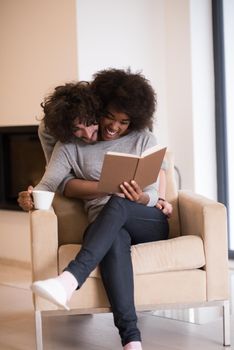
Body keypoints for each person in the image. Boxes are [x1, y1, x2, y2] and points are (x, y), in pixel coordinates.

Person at [19, 68, 172, 350]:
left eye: (124, 122)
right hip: (106, 225)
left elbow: (152, 196)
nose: (114, 126)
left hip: (147, 221)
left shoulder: (143, 139)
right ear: (99, 108)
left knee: (119, 201)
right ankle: (132, 342)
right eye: (109, 118)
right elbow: (49, 183)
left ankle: (69, 279)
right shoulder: (68, 146)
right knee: (113, 237)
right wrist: (30, 196)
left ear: (134, 120)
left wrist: (139, 198)